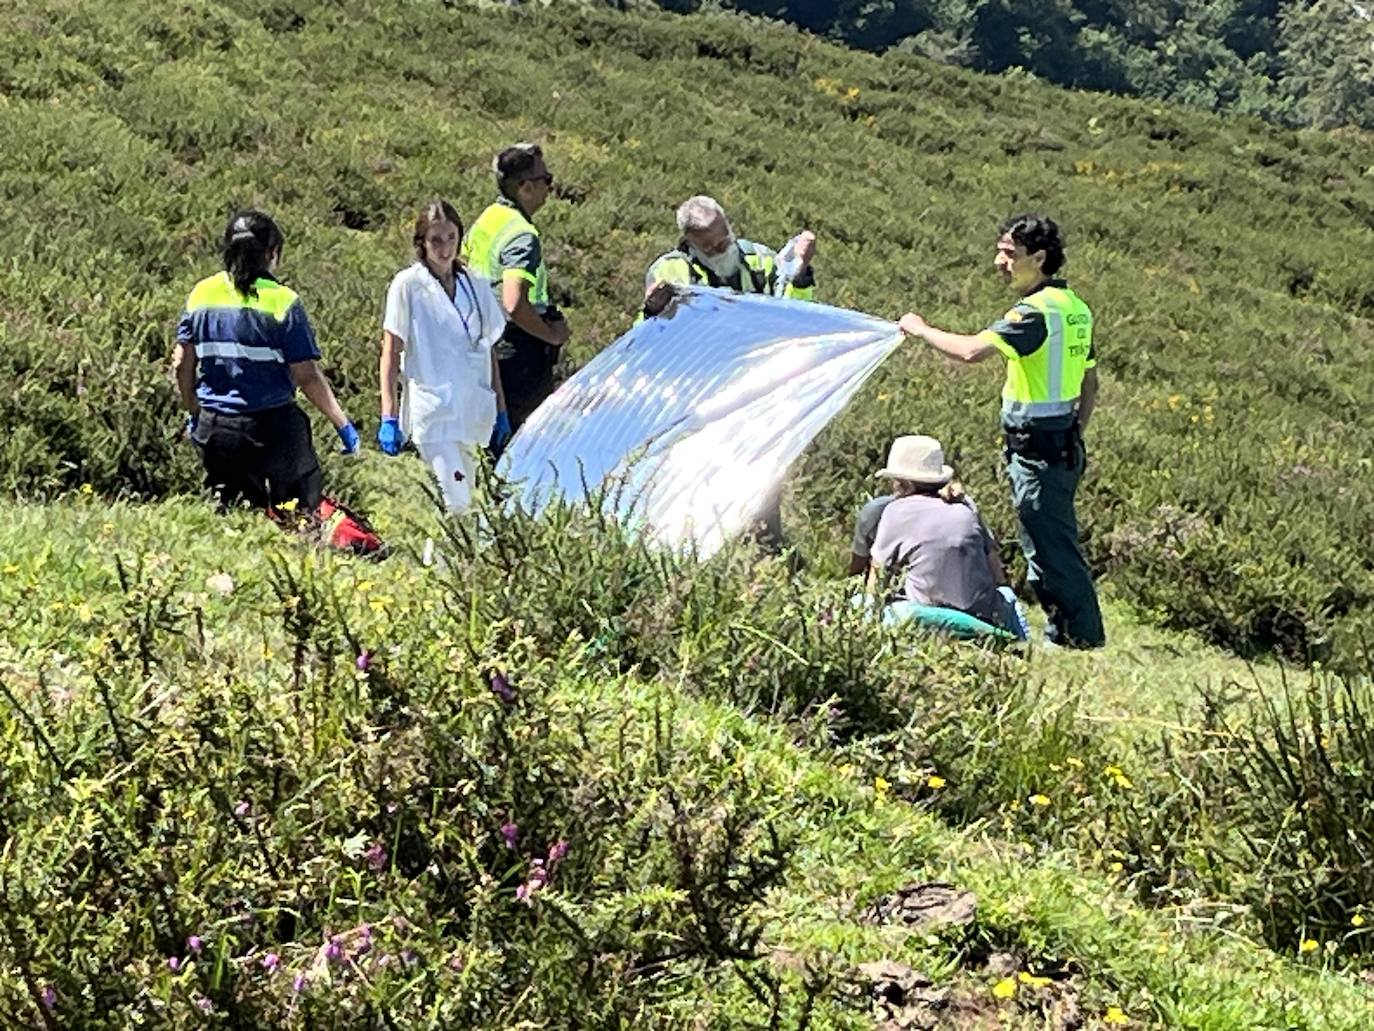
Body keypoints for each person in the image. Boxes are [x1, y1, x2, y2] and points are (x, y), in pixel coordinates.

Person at [898, 213, 1104, 649]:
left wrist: (920, 329)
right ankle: (1067, 630)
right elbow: (1089, 382)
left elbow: (972, 351)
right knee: (1050, 539)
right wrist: (1076, 432)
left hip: (1039, 448)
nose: (999, 262)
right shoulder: (1075, 309)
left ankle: (1077, 636)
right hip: (1062, 442)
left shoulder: (1034, 314)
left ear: (1040, 258)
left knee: (1050, 548)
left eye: (1010, 254)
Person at [171, 210, 359, 516]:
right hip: (272, 428)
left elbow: (182, 363)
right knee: (296, 511)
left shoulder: (201, 295)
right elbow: (306, 376)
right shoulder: (282, 301)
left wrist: (194, 411)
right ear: (273, 254)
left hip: (215, 427)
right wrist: (342, 423)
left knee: (231, 512)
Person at [377, 199, 510, 514]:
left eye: (451, 237)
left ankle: (443, 560)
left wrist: (501, 407)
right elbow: (391, 352)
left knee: (469, 500)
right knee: (455, 499)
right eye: (436, 239)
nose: (445, 247)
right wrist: (389, 414)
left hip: (474, 409)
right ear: (422, 243)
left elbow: (487, 348)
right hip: (434, 412)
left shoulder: (474, 285)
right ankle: (446, 562)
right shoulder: (407, 286)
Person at [462, 143, 569, 448]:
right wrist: (551, 335)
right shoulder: (522, 235)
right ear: (525, 187)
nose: (550, 186)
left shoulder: (489, 217)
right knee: (523, 442)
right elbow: (514, 303)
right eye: (545, 179)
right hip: (518, 352)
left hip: (484, 340)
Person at [866, 435, 1022, 636]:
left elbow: (877, 578)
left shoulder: (897, 511)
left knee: (863, 604)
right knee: (1007, 596)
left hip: (930, 617)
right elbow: (997, 573)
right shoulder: (966, 504)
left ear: (902, 483)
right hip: (985, 615)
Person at [641, 195, 817, 319]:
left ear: (729, 227)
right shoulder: (672, 271)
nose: (721, 252)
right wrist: (652, 310)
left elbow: (793, 316)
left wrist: (799, 275)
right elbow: (651, 334)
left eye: (725, 242)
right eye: (709, 248)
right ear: (690, 244)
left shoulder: (760, 260)